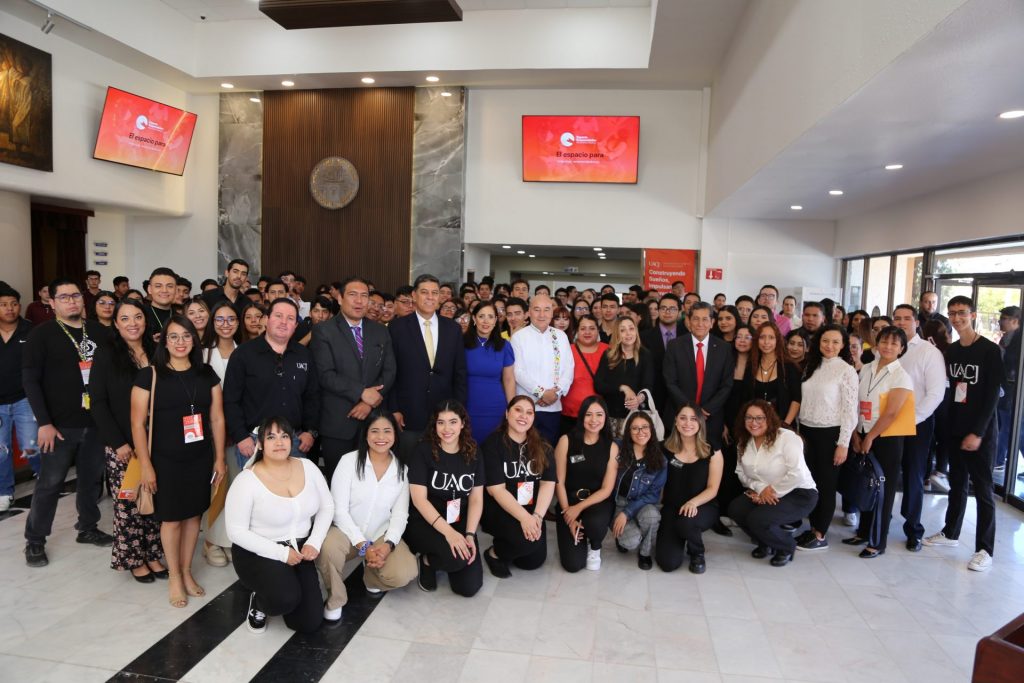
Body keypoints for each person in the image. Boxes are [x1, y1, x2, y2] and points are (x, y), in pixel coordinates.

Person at [131, 316, 227, 607]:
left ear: (194, 341)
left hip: (199, 458)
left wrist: (219, 458)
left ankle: (186, 571)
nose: (180, 342)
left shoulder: (206, 373)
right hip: (165, 460)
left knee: (193, 517)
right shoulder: (149, 375)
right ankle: (174, 575)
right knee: (172, 519)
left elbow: (217, 418)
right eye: (173, 336)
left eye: (186, 336)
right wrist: (146, 465)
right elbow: (137, 424)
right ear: (164, 341)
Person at [22, 279, 113, 568]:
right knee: (50, 483)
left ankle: (87, 527)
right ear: (52, 302)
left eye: (75, 295)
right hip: (59, 426)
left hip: (95, 422)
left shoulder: (98, 332)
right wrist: (44, 422)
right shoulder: (42, 334)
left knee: (90, 480)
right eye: (64, 297)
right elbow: (30, 380)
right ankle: (35, 539)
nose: (71, 301)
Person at [226, 416, 334, 633]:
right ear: (260, 444)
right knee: (284, 599)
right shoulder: (246, 480)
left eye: (284, 436)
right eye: (271, 437)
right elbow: (236, 531)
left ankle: (283, 588)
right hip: (259, 552)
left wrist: (314, 541)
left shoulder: (307, 467)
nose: (279, 442)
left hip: (300, 550)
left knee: (308, 622)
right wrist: (282, 554)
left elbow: (327, 506)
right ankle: (259, 602)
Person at [923, 296, 1003, 572]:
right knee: (957, 483)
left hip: (981, 432)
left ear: (973, 315)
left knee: (983, 490)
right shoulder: (953, 351)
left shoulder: (990, 351)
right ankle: (951, 532)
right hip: (956, 427)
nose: (957, 318)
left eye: (962, 313)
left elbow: (992, 397)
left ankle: (985, 549)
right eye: (952, 313)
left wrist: (978, 432)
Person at [89, 297, 166, 582]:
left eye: (138, 317)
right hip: (124, 444)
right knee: (129, 504)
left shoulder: (157, 350)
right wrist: (117, 442)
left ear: (146, 320)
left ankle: (153, 554)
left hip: (157, 440)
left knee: (155, 499)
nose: (132, 323)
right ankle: (134, 559)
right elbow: (97, 402)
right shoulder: (107, 354)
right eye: (125, 318)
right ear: (116, 323)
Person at [317, 411, 417, 621]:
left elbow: (400, 515)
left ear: (395, 435)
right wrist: (363, 545)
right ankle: (336, 599)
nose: (381, 437)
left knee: (405, 572)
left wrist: (388, 545)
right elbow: (339, 510)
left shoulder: (402, 470)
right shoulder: (348, 462)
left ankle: (371, 576)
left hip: (380, 534)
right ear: (366, 434)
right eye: (375, 431)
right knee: (327, 548)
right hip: (346, 533)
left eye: (387, 431)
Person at [311, 277, 395, 481]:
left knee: (371, 482)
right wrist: (361, 393)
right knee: (338, 482)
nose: (359, 301)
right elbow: (326, 374)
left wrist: (369, 402)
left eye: (364, 296)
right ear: (339, 298)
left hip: (374, 421)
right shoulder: (324, 330)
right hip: (338, 422)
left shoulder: (380, 331)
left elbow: (389, 370)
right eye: (353, 295)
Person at [224, 298, 319, 471]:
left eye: (290, 318)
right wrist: (240, 437)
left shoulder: (304, 355)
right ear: (266, 319)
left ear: (296, 326)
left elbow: (312, 397)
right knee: (256, 488)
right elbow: (231, 400)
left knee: (294, 487)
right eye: (278, 316)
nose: (284, 322)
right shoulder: (243, 354)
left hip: (295, 440)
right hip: (254, 442)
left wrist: (310, 432)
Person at [843, 325, 913, 558]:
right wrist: (856, 434)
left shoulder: (901, 376)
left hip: (886, 437)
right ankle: (863, 532)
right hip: (862, 432)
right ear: (877, 343)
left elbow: (891, 413)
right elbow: (854, 402)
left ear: (901, 349)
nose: (888, 346)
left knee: (883, 491)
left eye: (894, 343)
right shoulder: (866, 368)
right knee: (865, 484)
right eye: (884, 341)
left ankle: (877, 541)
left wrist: (871, 437)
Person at [404, 401, 483, 596]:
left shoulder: (473, 450)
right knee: (457, 559)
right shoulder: (423, 450)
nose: (447, 429)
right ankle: (427, 561)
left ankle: (444, 558)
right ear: (435, 424)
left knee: (469, 587)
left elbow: (476, 498)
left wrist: (469, 534)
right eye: (441, 422)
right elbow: (419, 500)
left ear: (462, 424)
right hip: (426, 521)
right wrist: (449, 533)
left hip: (458, 518)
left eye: (453, 422)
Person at [729, 400, 818, 567]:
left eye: (759, 418)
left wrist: (772, 492)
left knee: (758, 519)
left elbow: (797, 474)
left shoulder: (787, 438)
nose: (753, 422)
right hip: (763, 491)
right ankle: (765, 542)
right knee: (736, 509)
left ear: (769, 418)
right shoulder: (743, 440)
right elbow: (740, 472)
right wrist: (761, 489)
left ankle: (786, 547)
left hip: (799, 493)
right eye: (749, 417)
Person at [389, 274, 468, 457]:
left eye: (435, 293)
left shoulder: (452, 329)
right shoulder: (397, 328)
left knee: (440, 463)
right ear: (414, 296)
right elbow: (391, 371)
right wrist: (394, 409)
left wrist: (458, 410)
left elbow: (459, 372)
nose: (430, 297)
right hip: (408, 413)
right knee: (408, 463)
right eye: (424, 292)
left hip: (444, 414)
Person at [796, 324, 858, 551]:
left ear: (843, 345)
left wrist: (843, 444)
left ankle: (820, 533)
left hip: (830, 433)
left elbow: (850, 411)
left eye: (835, 342)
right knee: (810, 482)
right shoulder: (812, 365)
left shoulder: (846, 370)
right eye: (825, 341)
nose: (829, 346)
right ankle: (812, 528)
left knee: (826, 484)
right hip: (807, 432)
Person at [891, 304, 947, 552]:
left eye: (906, 318)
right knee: (886, 473)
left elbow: (935, 393)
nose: (901, 322)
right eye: (897, 318)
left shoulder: (928, 352)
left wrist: (912, 419)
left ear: (916, 322)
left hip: (917, 423)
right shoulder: (888, 348)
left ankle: (913, 528)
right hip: (886, 420)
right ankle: (878, 522)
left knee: (913, 475)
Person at [480, 396, 556, 577]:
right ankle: (494, 553)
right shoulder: (492, 444)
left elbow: (548, 483)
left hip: (530, 508)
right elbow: (496, 490)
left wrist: (537, 516)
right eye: (518, 410)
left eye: (529, 413)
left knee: (532, 561)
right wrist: (524, 518)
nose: (524, 416)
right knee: (526, 543)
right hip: (500, 508)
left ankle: (517, 541)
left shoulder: (542, 445)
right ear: (507, 413)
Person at [656, 404, 724, 574]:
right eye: (683, 418)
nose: (687, 423)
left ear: (700, 422)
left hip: (702, 506)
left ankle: (697, 552)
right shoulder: (663, 448)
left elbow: (713, 489)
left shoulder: (712, 450)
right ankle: (680, 535)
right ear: (676, 421)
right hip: (672, 508)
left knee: (686, 522)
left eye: (693, 419)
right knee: (668, 563)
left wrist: (693, 503)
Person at [199, 301, 242, 567]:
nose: (225, 325)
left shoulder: (245, 351)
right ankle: (211, 541)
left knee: (234, 486)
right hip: (208, 429)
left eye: (231, 319)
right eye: (220, 320)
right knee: (214, 486)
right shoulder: (202, 353)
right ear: (212, 322)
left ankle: (229, 540)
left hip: (237, 431)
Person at [553, 396, 618, 572]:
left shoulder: (611, 447)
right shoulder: (566, 441)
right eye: (589, 414)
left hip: (597, 502)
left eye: (599, 414)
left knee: (595, 524)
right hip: (568, 502)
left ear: (605, 417)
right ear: (581, 416)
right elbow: (559, 482)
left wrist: (579, 508)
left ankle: (595, 545)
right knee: (573, 565)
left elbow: (607, 489)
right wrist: (569, 515)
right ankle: (578, 534)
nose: (594, 420)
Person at [664, 302, 734, 450]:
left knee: (709, 458)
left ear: (712, 322)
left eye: (705, 319)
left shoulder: (724, 348)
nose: (700, 324)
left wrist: (707, 409)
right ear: (688, 321)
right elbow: (670, 381)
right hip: (680, 416)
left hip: (711, 418)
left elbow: (726, 384)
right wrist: (690, 410)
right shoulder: (674, 346)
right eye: (695, 319)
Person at [510, 294, 575, 445]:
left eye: (546, 310)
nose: (542, 315)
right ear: (529, 312)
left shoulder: (561, 336)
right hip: (526, 406)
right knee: (524, 449)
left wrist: (555, 393)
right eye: (537, 309)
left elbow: (569, 368)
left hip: (553, 407)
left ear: (552, 312)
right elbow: (518, 371)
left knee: (548, 450)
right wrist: (541, 393)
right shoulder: (519, 337)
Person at [611, 411, 666, 570]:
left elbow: (653, 495)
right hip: (618, 502)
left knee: (652, 516)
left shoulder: (660, 460)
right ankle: (625, 534)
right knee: (630, 541)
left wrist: (627, 513)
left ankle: (645, 553)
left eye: (645, 427)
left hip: (642, 503)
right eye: (635, 428)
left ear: (651, 430)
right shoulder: (618, 448)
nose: (640, 432)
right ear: (628, 431)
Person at [0, 283, 38, 507]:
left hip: (25, 398)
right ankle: (4, 492)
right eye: (4, 304)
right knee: (1, 450)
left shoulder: (31, 330)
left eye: (14, 304)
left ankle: (46, 480)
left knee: (32, 445)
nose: (9, 308)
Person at [464, 301, 516, 443]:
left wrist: (511, 408)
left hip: (495, 407)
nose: (486, 321)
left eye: (490, 317)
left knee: (493, 446)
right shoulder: (461, 343)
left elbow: (509, 379)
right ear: (474, 318)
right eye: (481, 316)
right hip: (467, 405)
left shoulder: (504, 345)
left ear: (496, 320)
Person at [595, 316, 655, 436]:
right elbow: (598, 385)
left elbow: (648, 386)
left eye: (631, 329)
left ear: (636, 331)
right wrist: (623, 388)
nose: (628, 333)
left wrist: (639, 399)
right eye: (622, 330)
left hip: (634, 416)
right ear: (617, 334)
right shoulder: (608, 355)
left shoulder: (645, 355)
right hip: (610, 415)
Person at [640, 293, 685, 426]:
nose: (667, 312)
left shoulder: (688, 336)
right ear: (658, 311)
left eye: (672, 309)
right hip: (653, 398)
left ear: (679, 312)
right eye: (663, 308)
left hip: (680, 398)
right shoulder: (644, 337)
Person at [561, 315, 608, 435]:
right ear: (577, 331)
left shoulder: (608, 351)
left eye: (592, 328)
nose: (587, 332)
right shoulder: (566, 350)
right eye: (583, 328)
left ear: (598, 330)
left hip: (598, 416)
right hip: (569, 413)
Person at [144, 267, 178, 342]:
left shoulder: (180, 318)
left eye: (170, 286)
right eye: (158, 286)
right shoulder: (140, 315)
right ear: (149, 289)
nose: (164, 290)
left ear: (176, 289)